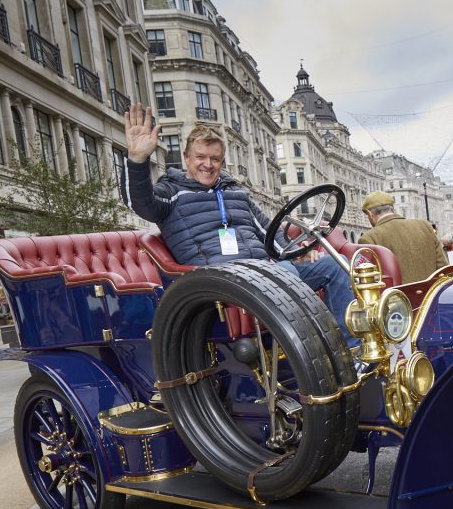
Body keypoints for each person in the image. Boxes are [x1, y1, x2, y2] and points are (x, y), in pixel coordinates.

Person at [123, 103, 357, 349]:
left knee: (331, 266)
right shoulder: (171, 192)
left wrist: (298, 251)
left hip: (262, 271)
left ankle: (353, 350)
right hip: (218, 279)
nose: (208, 164)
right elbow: (139, 203)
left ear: (222, 161)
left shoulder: (234, 191)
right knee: (284, 275)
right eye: (200, 157)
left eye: (215, 159)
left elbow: (269, 231)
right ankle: (314, 355)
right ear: (186, 158)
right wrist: (137, 161)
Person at [357, 191, 447, 284]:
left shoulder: (368, 238)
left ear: (370, 214)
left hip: (398, 297)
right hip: (431, 294)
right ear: (393, 209)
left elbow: (369, 281)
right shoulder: (425, 225)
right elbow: (443, 267)